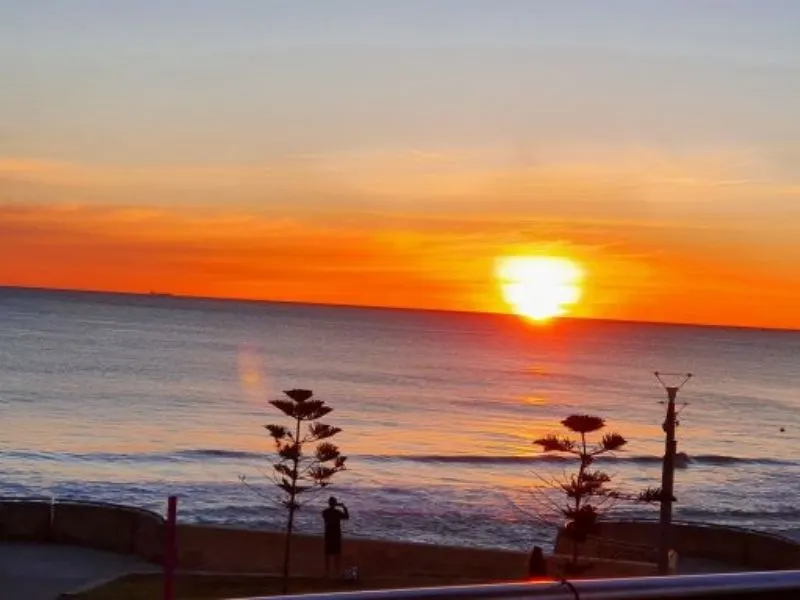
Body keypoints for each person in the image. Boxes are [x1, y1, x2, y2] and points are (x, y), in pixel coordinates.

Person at [322, 496, 349, 577]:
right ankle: (336, 572)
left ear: (329, 503)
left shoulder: (324, 512)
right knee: (337, 554)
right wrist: (344, 507)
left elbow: (327, 519)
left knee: (327, 554)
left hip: (328, 535)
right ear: (335, 503)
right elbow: (346, 517)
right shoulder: (337, 512)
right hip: (336, 535)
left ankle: (327, 572)